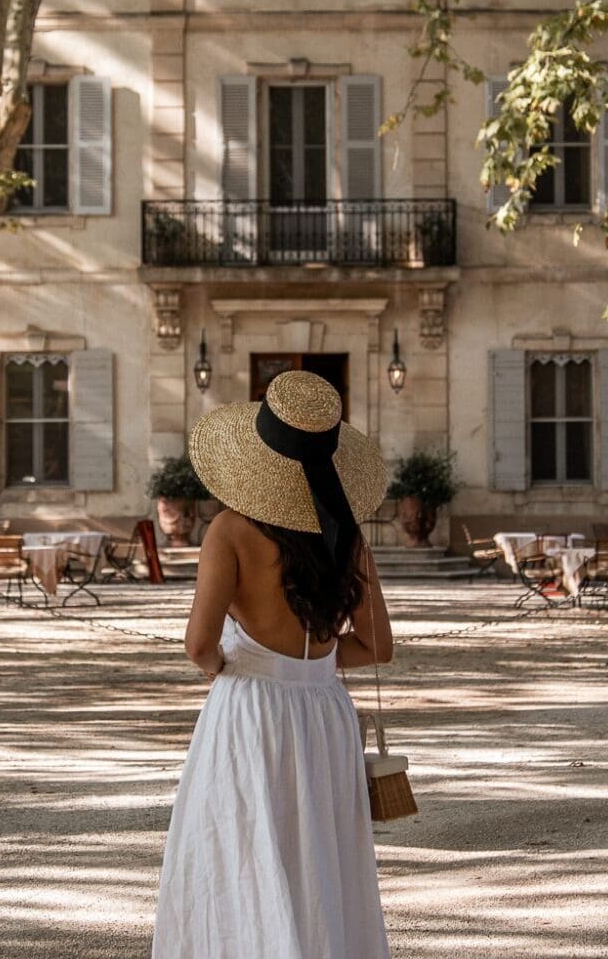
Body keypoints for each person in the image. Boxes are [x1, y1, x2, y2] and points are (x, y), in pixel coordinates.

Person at [151, 369, 394, 959]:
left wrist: (228, 664)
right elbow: (379, 645)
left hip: (250, 712)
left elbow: (198, 645)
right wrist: (319, 665)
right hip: (325, 715)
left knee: (241, 852)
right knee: (321, 860)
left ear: (260, 455)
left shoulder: (230, 530)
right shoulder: (346, 536)